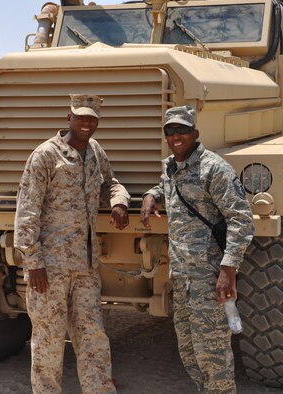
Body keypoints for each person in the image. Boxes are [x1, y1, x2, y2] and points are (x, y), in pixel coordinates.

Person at [14, 94, 130, 394]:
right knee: (49, 339)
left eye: (92, 119)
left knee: (93, 336)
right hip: (50, 269)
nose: (86, 123)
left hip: (85, 267)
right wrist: (34, 263)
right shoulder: (45, 156)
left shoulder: (94, 152)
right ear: (69, 118)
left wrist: (118, 202)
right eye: (81, 117)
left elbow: (110, 182)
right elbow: (26, 213)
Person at [140, 105, 254, 393]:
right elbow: (167, 187)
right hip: (182, 278)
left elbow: (241, 219)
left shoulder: (214, 168)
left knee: (213, 355)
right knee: (190, 352)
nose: (176, 135)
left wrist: (228, 270)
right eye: (170, 131)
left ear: (195, 134)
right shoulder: (171, 168)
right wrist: (151, 195)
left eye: (182, 130)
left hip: (209, 278)